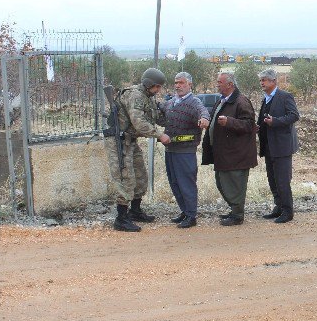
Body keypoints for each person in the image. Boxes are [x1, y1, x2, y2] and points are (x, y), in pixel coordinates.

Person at [105, 68, 171, 232]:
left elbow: (155, 117)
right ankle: (120, 219)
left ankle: (135, 211)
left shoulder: (147, 97)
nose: (158, 90)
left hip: (130, 140)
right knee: (125, 178)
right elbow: (139, 122)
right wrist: (159, 135)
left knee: (140, 175)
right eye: (157, 87)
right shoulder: (135, 95)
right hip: (118, 141)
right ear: (149, 84)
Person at [201, 72, 258, 226]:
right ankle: (234, 210)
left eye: (220, 82)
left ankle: (238, 215)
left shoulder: (241, 102)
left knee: (235, 184)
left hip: (236, 154)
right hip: (224, 153)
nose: (217, 84)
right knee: (223, 183)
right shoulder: (222, 100)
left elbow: (249, 125)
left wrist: (230, 122)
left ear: (230, 84)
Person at [159, 72, 210, 229]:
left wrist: (204, 120)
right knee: (174, 182)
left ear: (190, 85)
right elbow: (160, 110)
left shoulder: (194, 102)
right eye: (176, 82)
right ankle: (184, 211)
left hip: (186, 151)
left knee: (186, 183)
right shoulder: (171, 102)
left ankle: (191, 215)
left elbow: (204, 112)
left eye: (181, 82)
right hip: (170, 149)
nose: (178, 85)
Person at [257, 69, 300, 224]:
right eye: (261, 80)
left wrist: (275, 121)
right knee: (272, 179)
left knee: (282, 180)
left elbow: (294, 115)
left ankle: (288, 211)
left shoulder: (285, 96)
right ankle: (279, 207)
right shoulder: (266, 99)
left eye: (264, 80)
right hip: (269, 146)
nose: (262, 83)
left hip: (282, 146)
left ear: (273, 81)